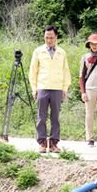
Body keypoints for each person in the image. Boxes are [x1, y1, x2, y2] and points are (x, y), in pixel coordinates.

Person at [29, 25, 71, 153]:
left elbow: (66, 71)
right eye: (47, 38)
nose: (49, 40)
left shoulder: (62, 52)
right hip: (42, 87)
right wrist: (34, 88)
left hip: (57, 88)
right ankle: (42, 142)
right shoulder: (38, 51)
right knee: (41, 116)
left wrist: (65, 88)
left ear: (56, 37)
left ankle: (53, 143)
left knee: (55, 117)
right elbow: (33, 71)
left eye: (51, 38)